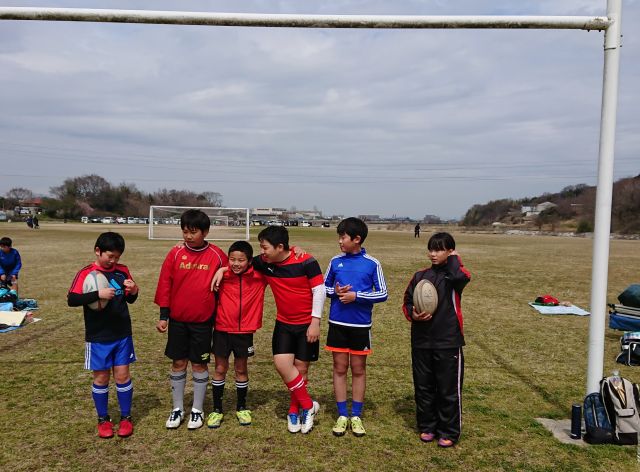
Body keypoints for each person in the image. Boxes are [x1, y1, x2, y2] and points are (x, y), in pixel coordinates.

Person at [155, 209, 228, 431]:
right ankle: (177, 408)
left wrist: (224, 269)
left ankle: (197, 409)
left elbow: (237, 269)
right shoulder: (175, 253)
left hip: (203, 323)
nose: (188, 236)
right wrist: (164, 316)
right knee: (178, 363)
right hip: (178, 321)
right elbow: (165, 284)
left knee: (199, 363)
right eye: (185, 231)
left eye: (193, 232)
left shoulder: (217, 255)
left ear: (205, 232)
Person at [251, 225, 325, 434]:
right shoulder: (264, 262)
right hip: (283, 324)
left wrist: (315, 322)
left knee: (301, 370)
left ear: (280, 247)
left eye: (265, 247)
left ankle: (294, 411)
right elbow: (241, 261)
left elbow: (319, 291)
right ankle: (308, 406)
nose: (262, 251)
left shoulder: (306, 261)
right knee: (282, 365)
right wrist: (222, 270)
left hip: (306, 326)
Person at [67, 232, 139, 439]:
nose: (113, 260)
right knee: (101, 378)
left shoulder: (122, 271)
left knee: (123, 376)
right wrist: (97, 294)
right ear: (98, 251)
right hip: (98, 336)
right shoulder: (86, 273)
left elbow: (130, 299)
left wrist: (134, 290)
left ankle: (126, 417)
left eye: (117, 257)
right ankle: (103, 419)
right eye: (110, 256)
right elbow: (72, 299)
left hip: (122, 333)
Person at [402, 232, 471, 448]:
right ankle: (427, 426)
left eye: (439, 250)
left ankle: (449, 430)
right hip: (421, 341)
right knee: (423, 386)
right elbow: (407, 301)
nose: (433, 254)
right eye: (431, 249)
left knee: (448, 389)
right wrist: (413, 314)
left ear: (450, 251)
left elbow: (461, 277)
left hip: (448, 341)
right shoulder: (420, 276)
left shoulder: (455, 276)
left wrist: (454, 259)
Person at [324, 217, 387, 437]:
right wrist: (336, 292)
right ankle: (342, 415)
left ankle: (356, 415)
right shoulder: (335, 261)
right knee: (339, 368)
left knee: (358, 370)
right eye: (339, 237)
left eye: (343, 237)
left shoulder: (372, 263)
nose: (340, 241)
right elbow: (324, 288)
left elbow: (383, 293)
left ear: (357, 239)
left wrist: (356, 296)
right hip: (337, 324)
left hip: (360, 326)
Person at [207, 240, 267, 429]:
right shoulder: (223, 276)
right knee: (220, 368)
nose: (235, 263)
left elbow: (274, 258)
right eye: (232, 259)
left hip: (244, 332)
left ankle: (242, 407)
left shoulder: (260, 276)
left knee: (241, 369)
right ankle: (217, 409)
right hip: (222, 330)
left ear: (249, 261)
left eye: (241, 260)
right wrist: (222, 269)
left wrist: (296, 249)